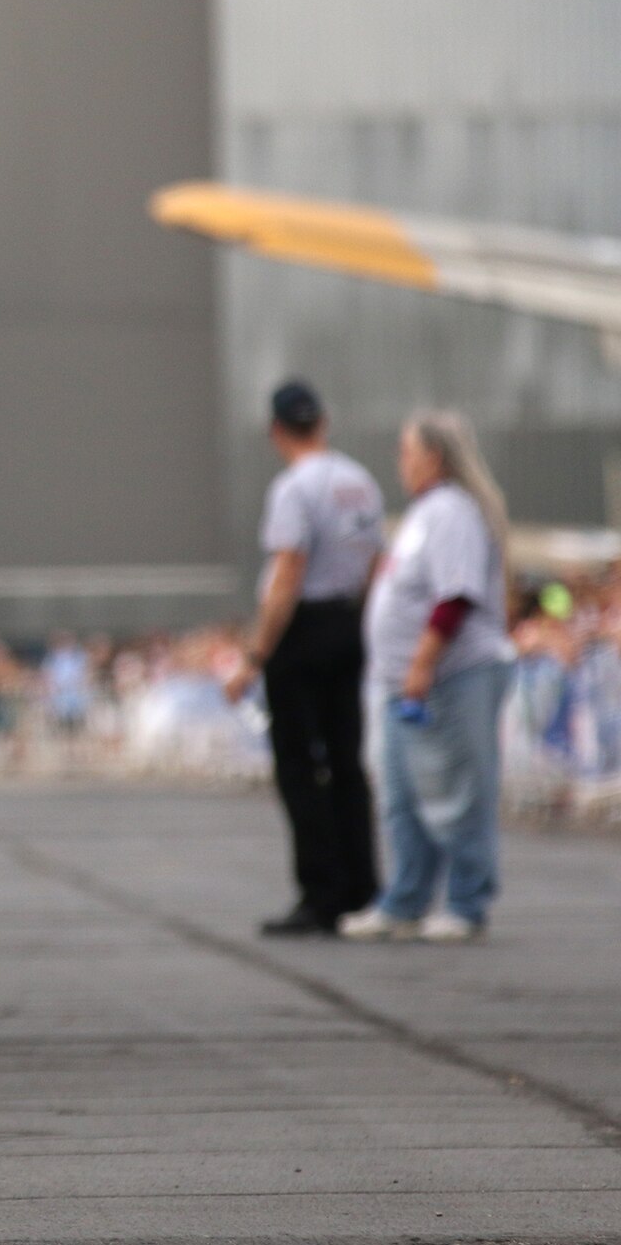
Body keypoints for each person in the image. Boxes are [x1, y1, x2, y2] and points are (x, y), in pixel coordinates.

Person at [341, 411, 513, 945]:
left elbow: (454, 595)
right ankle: (406, 898)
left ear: (434, 457)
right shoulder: (421, 514)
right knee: (400, 796)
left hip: (451, 675)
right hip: (400, 683)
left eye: (406, 450)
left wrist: (421, 662)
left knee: (459, 792)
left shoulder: (452, 512)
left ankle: (467, 901)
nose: (401, 461)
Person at [224, 381, 385, 937]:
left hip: (303, 628)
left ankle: (320, 892)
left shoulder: (293, 488)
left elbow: (288, 571)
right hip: (347, 620)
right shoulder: (360, 481)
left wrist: (255, 654)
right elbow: (371, 558)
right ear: (324, 420)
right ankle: (362, 885)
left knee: (299, 766)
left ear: (276, 430)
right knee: (346, 761)